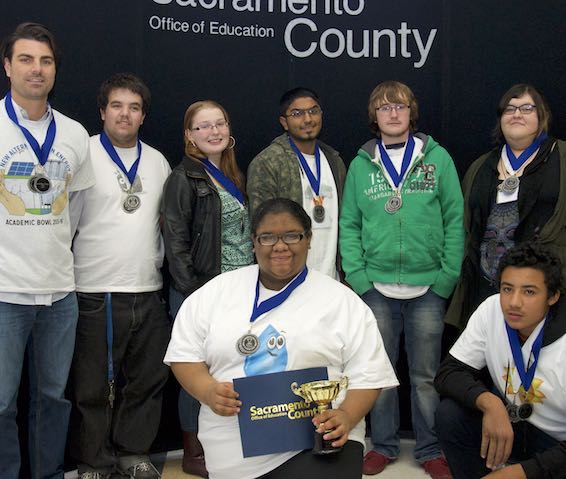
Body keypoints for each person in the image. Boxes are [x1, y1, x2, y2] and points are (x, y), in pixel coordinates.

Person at [164, 198, 399, 479]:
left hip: (320, 442)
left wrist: (346, 415)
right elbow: (184, 355)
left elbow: (369, 375)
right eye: (267, 237)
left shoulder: (342, 301)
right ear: (253, 242)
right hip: (232, 448)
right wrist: (207, 391)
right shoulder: (214, 293)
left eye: (292, 235)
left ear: (309, 240)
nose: (280, 246)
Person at [339, 80, 464, 478]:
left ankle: (430, 449)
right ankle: (385, 445)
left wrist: (446, 279)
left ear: (412, 113)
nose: (393, 114)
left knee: (425, 376)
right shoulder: (361, 164)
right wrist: (358, 278)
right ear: (374, 117)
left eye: (400, 107)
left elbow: (455, 220)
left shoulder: (437, 159)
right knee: (378, 372)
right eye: (384, 108)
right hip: (375, 287)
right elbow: (349, 225)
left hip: (427, 287)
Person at [0, 23, 94, 479]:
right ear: (7, 66)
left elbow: (74, 210)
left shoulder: (75, 134)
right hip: (3, 293)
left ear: (55, 70)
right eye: (26, 59)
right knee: (0, 403)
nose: (36, 70)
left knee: (53, 399)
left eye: (46, 61)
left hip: (60, 293)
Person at [67, 73, 171, 479]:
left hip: (147, 287)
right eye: (116, 105)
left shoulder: (158, 160)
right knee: (92, 388)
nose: (124, 114)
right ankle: (93, 461)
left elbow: (163, 223)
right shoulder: (83, 154)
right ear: (102, 112)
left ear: (143, 116)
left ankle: (134, 454)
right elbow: (66, 222)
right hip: (95, 289)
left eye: (133, 107)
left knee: (146, 381)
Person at [161, 100, 254, 477]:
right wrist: (197, 295)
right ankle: (194, 451)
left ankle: (231, 443)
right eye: (203, 126)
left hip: (240, 290)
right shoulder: (183, 178)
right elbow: (176, 244)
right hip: (200, 293)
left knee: (232, 367)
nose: (213, 132)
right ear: (189, 135)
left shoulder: (232, 174)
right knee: (195, 375)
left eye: (219, 124)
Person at [435, 243, 566, 479]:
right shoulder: (491, 310)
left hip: (557, 443)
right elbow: (448, 372)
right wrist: (490, 403)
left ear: (553, 296)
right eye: (507, 289)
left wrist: (522, 472)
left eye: (529, 292)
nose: (513, 302)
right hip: (512, 422)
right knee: (450, 415)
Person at [445, 84, 566, 332]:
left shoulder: (561, 158)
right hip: (484, 290)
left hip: (543, 289)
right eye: (509, 109)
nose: (517, 114)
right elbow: (467, 228)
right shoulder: (481, 166)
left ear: (542, 116)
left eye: (526, 108)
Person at [247, 87, 346, 279]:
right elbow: (262, 228)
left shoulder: (335, 161)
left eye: (313, 111)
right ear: (284, 122)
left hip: (331, 279)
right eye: (297, 113)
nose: (308, 119)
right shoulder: (268, 163)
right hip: (288, 278)